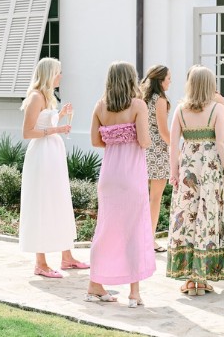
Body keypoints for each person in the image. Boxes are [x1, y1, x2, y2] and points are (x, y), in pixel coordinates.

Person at [87, 62, 154, 307]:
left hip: (109, 176)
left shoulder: (100, 106)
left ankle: (94, 284)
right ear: (130, 80)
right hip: (131, 176)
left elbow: (96, 141)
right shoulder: (138, 105)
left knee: (105, 229)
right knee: (133, 231)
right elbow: (145, 141)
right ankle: (134, 293)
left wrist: (115, 140)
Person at [167, 66, 224, 296]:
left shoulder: (179, 110)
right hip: (210, 171)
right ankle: (203, 279)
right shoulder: (216, 109)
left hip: (188, 169)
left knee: (187, 217)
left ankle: (189, 280)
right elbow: (221, 143)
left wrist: (174, 172)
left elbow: (173, 144)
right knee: (207, 218)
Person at [19, 58, 88, 279]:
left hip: (53, 155)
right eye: (58, 73)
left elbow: (44, 123)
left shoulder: (48, 97)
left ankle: (67, 257)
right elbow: (28, 132)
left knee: (58, 200)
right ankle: (40, 263)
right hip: (41, 156)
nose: (61, 76)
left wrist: (60, 115)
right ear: (49, 74)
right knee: (43, 202)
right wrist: (57, 127)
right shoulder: (36, 97)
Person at [139, 65, 171, 253]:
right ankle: (149, 239)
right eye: (168, 78)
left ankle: (139, 237)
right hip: (158, 151)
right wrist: (176, 149)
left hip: (143, 150)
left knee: (142, 198)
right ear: (160, 80)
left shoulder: (143, 98)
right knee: (155, 199)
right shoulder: (159, 100)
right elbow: (164, 131)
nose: (170, 82)